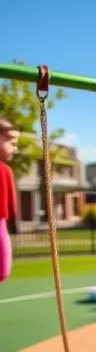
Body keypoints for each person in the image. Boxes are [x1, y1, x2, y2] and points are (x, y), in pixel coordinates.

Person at [0, 118, 19, 284]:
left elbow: (11, 204)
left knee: (3, 270)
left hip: (1, 224)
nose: (15, 148)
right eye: (12, 142)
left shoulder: (6, 170)